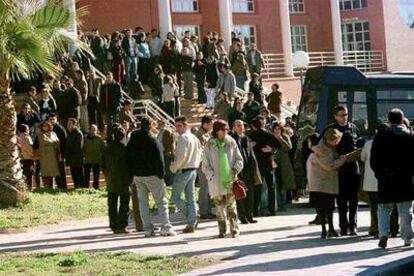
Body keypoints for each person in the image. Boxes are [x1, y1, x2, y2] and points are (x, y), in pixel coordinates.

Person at [371, 109, 414, 248]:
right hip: (405, 179)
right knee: (405, 210)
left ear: (389, 120)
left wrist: (379, 173)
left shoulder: (381, 136)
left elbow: (374, 159)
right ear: (402, 120)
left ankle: (383, 234)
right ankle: (407, 238)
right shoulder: (409, 136)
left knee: (384, 208)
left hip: (386, 179)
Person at [127, 117, 177, 237]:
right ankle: (165, 227)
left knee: (143, 203)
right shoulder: (152, 140)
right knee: (161, 201)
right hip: (152, 175)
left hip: (137, 175)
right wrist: (161, 174)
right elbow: (158, 159)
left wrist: (131, 173)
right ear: (150, 126)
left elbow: (127, 157)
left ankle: (148, 229)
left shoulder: (132, 140)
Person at [323, 105, 361, 236]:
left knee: (354, 199)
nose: (344, 117)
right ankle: (343, 226)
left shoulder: (353, 127)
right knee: (341, 200)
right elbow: (323, 147)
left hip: (352, 167)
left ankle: (353, 226)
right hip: (338, 168)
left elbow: (359, 145)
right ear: (335, 116)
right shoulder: (330, 130)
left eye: (346, 115)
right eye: (341, 115)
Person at [202, 120, 244, 238]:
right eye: (223, 130)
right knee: (219, 208)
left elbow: (239, 159)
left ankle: (234, 229)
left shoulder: (231, 142)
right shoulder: (210, 144)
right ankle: (222, 230)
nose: (225, 132)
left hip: (230, 180)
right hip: (217, 181)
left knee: (232, 207)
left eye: (226, 130)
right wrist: (211, 176)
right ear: (217, 131)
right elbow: (205, 165)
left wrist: (236, 170)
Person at [307, 128, 345, 239]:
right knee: (325, 207)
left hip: (323, 182)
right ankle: (325, 229)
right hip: (323, 182)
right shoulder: (322, 149)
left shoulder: (326, 146)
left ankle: (329, 229)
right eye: (336, 140)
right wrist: (341, 160)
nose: (337, 142)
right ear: (330, 140)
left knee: (328, 207)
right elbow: (329, 166)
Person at [170, 116, 203, 233]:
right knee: (191, 198)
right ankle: (192, 221)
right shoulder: (194, 138)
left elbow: (180, 157)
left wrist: (173, 168)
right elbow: (200, 153)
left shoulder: (183, 138)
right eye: (176, 126)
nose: (177, 128)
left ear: (185, 125)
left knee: (175, 197)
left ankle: (191, 218)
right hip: (193, 169)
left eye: (179, 125)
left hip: (183, 170)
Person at [231, 120, 261, 224]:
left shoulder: (246, 138)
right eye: (238, 125)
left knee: (250, 194)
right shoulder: (232, 139)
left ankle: (249, 215)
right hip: (239, 171)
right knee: (240, 193)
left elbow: (250, 154)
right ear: (234, 127)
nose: (241, 127)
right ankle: (242, 216)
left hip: (248, 169)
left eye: (242, 125)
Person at [102, 127, 131, 234]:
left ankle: (113, 225)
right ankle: (122, 225)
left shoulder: (107, 149)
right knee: (124, 204)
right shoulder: (125, 149)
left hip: (111, 180)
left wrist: (107, 175)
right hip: (124, 180)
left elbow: (102, 165)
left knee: (112, 204)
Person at [249, 117, 280, 216]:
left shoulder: (252, 136)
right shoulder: (268, 134)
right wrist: (271, 150)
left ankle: (255, 210)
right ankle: (272, 210)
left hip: (258, 164)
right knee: (271, 187)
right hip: (268, 162)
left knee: (258, 186)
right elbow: (278, 145)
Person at [195, 115, 215, 220]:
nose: (212, 126)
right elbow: (201, 151)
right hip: (202, 165)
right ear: (205, 124)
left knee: (208, 188)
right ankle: (203, 211)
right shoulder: (200, 135)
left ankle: (208, 210)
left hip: (207, 165)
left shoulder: (206, 134)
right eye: (210, 124)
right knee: (204, 188)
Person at [273, 122, 296, 211]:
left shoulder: (285, 136)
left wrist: (280, 139)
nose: (277, 130)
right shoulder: (271, 137)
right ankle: (277, 204)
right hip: (274, 163)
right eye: (275, 129)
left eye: (279, 129)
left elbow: (288, 148)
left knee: (283, 184)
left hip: (283, 163)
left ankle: (282, 205)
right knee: (276, 184)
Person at [38, 121, 61, 189]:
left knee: (53, 172)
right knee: (46, 173)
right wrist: (53, 142)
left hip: (53, 155)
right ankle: (47, 187)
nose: (45, 127)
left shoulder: (53, 133)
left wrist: (52, 142)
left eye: (47, 126)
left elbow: (58, 142)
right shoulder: (40, 134)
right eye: (44, 126)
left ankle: (54, 187)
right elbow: (45, 141)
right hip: (45, 156)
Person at [47, 113, 67, 190]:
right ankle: (59, 186)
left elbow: (64, 142)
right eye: (50, 119)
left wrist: (62, 153)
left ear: (56, 119)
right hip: (52, 154)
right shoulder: (49, 128)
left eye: (53, 119)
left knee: (61, 170)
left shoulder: (60, 129)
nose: (52, 121)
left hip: (59, 153)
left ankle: (63, 186)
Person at [83, 124, 105, 189]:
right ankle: (86, 187)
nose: (93, 131)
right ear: (89, 130)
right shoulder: (85, 138)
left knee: (96, 176)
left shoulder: (100, 139)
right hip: (87, 160)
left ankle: (96, 188)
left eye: (95, 130)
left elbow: (103, 149)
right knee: (86, 176)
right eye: (92, 130)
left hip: (96, 160)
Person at [66, 118, 84, 188]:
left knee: (78, 173)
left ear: (74, 125)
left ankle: (81, 187)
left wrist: (69, 154)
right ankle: (76, 186)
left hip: (77, 158)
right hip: (71, 159)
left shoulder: (78, 133)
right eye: (68, 124)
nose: (68, 125)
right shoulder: (69, 133)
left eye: (70, 124)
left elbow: (78, 147)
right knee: (73, 174)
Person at [156, 120, 175, 187]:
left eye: (160, 124)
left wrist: (169, 152)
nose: (158, 125)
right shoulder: (160, 133)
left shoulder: (167, 132)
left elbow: (170, 144)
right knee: (165, 170)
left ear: (163, 124)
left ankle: (170, 184)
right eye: (158, 124)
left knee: (168, 170)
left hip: (166, 154)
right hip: (161, 154)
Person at [17, 124, 34, 190]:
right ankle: (29, 188)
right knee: (29, 174)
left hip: (20, 158)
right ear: (27, 130)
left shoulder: (17, 138)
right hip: (28, 158)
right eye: (28, 129)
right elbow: (30, 148)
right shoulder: (27, 137)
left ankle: (23, 188)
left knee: (22, 174)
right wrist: (33, 157)